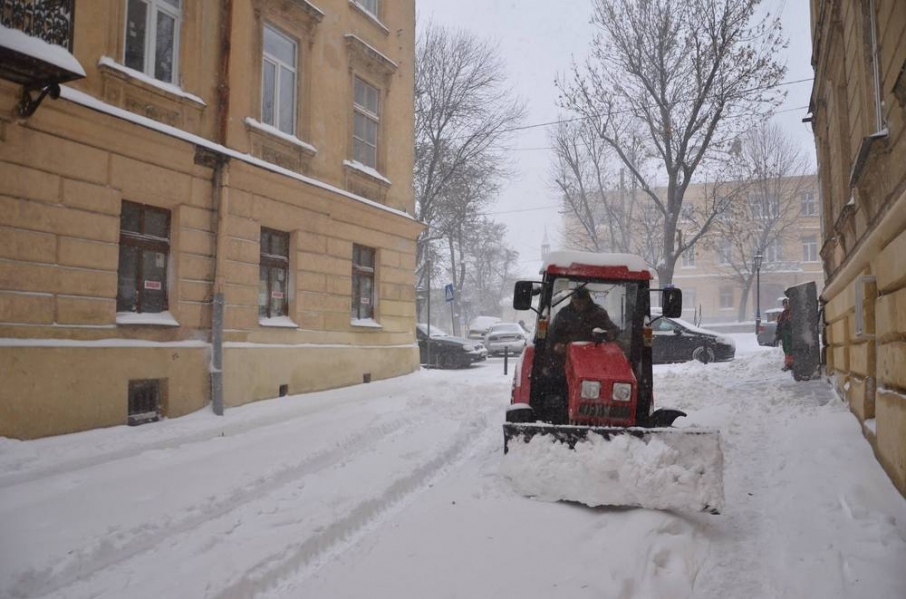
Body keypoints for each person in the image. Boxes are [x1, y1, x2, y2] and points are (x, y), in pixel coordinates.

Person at [548, 287, 621, 355]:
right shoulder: (564, 314)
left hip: (594, 353)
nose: (579, 305)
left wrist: (611, 333)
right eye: (576, 302)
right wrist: (556, 344)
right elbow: (552, 334)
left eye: (582, 303)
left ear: (587, 300)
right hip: (568, 353)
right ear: (572, 300)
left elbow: (613, 329)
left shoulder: (598, 313)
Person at [775, 297, 794, 371]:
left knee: (790, 349)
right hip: (784, 336)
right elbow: (779, 324)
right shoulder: (782, 314)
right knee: (786, 349)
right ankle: (788, 363)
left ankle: (791, 364)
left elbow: (790, 323)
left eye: (787, 304)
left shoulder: (792, 313)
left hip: (790, 335)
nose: (785, 306)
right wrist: (777, 334)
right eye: (784, 304)